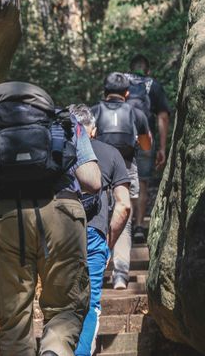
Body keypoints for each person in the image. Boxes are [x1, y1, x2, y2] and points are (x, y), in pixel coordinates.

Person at [0, 82, 101, 356]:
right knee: (66, 308)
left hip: (6, 219)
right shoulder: (65, 120)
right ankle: (54, 351)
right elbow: (92, 181)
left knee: (14, 319)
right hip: (62, 216)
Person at [70, 104, 132, 356]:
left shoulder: (54, 151)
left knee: (61, 302)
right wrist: (108, 243)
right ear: (92, 130)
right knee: (90, 303)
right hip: (93, 235)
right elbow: (124, 205)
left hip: (56, 234)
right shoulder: (110, 153)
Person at [91, 72, 151, 290]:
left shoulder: (94, 111)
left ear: (104, 92)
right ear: (127, 93)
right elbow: (146, 146)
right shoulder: (136, 113)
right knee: (124, 218)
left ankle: (95, 268)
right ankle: (121, 274)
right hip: (126, 168)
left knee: (97, 216)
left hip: (98, 168)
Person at [125, 54, 172, 244]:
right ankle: (138, 226)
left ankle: (125, 226)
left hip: (123, 138)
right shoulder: (153, 85)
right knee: (142, 182)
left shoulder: (121, 83)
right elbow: (162, 117)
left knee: (125, 181)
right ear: (148, 70)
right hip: (146, 138)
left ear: (130, 69)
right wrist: (162, 147)